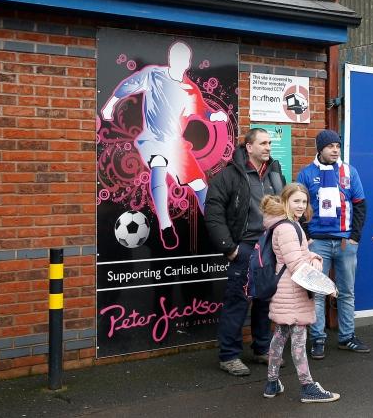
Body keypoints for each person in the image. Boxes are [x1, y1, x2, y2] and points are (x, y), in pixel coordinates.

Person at [100, 40, 229, 250]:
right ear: (170, 58)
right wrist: (110, 105)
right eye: (175, 58)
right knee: (159, 164)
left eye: (183, 59)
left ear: (187, 62)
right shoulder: (153, 75)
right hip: (153, 139)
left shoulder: (190, 89)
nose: (179, 62)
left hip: (175, 144)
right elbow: (128, 86)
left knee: (199, 184)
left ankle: (215, 227)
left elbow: (201, 110)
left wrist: (214, 116)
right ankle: (166, 225)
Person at [205, 128, 285, 376]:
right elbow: (214, 212)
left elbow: (284, 207)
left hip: (270, 248)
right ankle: (229, 356)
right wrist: (230, 248)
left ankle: (262, 349)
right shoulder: (230, 175)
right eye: (263, 143)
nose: (268, 147)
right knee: (237, 302)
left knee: (264, 301)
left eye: (269, 143)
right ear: (249, 147)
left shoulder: (275, 173)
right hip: (245, 248)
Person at [261, 185, 341, 403]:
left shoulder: (287, 223)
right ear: (285, 200)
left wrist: (313, 257)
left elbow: (300, 254)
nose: (301, 206)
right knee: (298, 338)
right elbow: (297, 265)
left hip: (287, 288)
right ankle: (307, 387)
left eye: (304, 202)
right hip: (293, 290)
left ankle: (272, 383)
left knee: (280, 336)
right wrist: (327, 286)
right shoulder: (287, 227)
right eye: (296, 201)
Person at [297, 130, 369, 359]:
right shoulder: (306, 174)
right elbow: (298, 207)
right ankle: (317, 339)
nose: (335, 150)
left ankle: (347, 337)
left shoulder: (349, 171)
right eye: (330, 146)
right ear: (320, 149)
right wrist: (307, 236)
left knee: (346, 292)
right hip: (317, 243)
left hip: (345, 242)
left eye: (338, 146)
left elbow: (360, 204)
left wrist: (355, 236)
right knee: (317, 292)